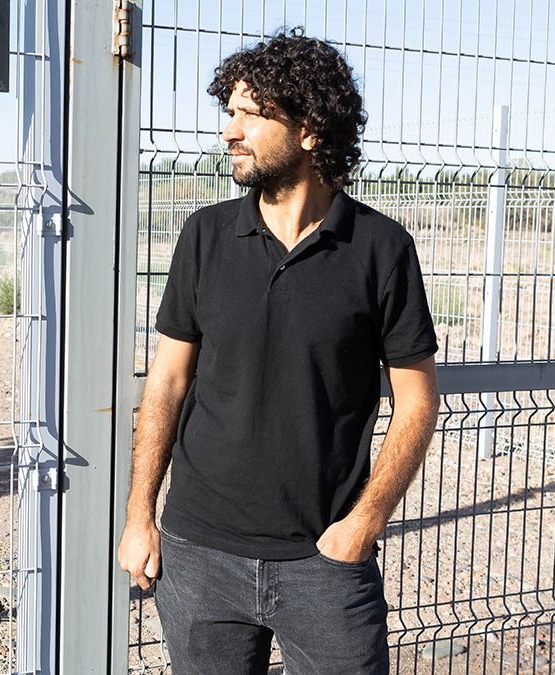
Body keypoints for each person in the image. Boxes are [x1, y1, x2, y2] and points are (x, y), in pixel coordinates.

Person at [117, 29, 441, 674]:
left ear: (311, 130)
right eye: (228, 112)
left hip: (324, 562)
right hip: (198, 555)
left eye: (249, 114)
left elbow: (417, 401)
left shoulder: (381, 249)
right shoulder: (205, 235)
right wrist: (139, 516)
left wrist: (364, 523)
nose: (228, 130)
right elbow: (168, 383)